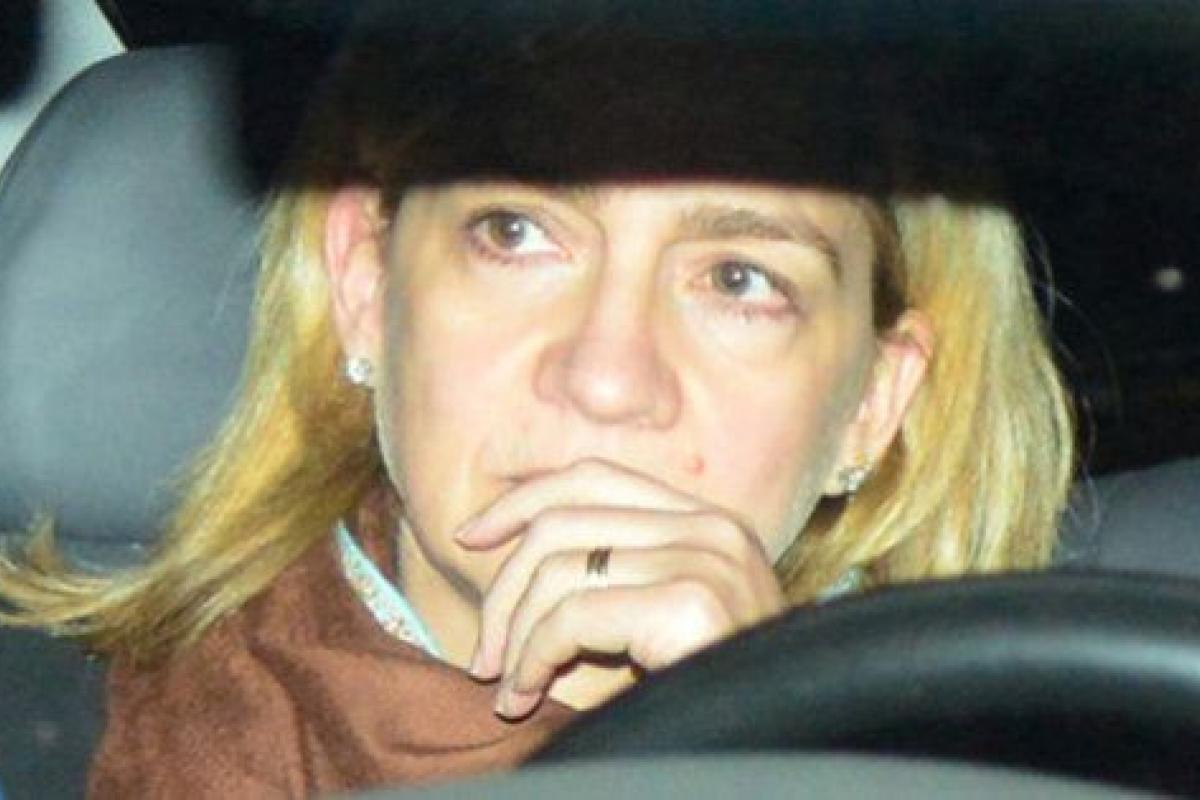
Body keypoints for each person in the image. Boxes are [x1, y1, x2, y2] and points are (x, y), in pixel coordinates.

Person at [0, 7, 1074, 796]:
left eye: (739, 280)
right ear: (367, 286)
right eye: (515, 233)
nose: (605, 378)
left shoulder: (1062, 752)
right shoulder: (59, 736)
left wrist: (783, 746)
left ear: (873, 405)